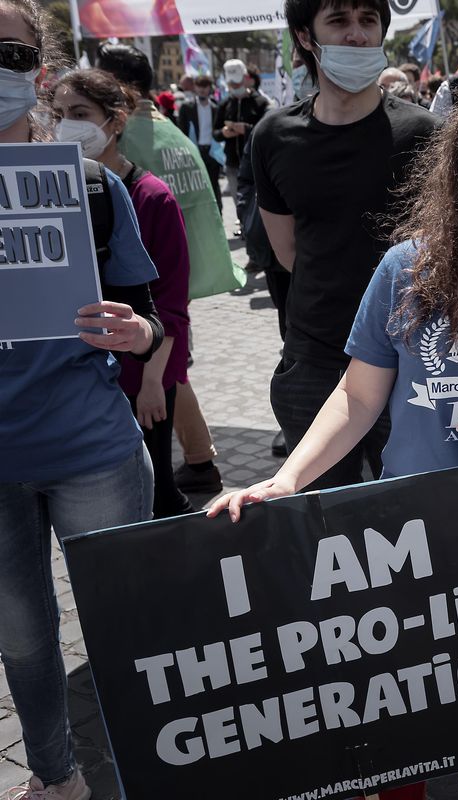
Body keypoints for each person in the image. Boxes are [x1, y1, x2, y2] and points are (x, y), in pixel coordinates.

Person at [213, 63, 458, 800]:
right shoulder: (406, 269)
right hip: (406, 541)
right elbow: (358, 396)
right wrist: (288, 478)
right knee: (402, 721)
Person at [0, 3, 164, 797]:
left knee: (124, 631)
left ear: (39, 70)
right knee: (22, 640)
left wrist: (139, 335)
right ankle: (55, 778)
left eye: (9, 53)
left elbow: (152, 319)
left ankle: (147, 772)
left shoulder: (91, 187)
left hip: (92, 453)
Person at [254, 0, 438, 491]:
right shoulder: (273, 137)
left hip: (409, 362)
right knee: (322, 518)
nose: (356, 34)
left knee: (411, 513)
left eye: (368, 20)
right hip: (313, 363)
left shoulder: (426, 133)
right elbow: (288, 252)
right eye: (338, 21)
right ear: (305, 36)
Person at [95, 43, 238, 498]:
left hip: (152, 292)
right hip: (174, 281)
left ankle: (196, 465)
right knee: (173, 371)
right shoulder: (169, 130)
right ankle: (200, 459)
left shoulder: (130, 146)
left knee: (162, 377)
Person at [54, 68, 196, 519]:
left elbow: (170, 305)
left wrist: (152, 384)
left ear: (115, 121)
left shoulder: (152, 197)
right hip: (87, 381)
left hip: (142, 374)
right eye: (58, 113)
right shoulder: (52, 193)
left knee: (157, 492)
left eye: (80, 113)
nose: (65, 125)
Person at [214, 58, 269, 206]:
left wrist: (247, 129)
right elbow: (215, 132)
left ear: (245, 78)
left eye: (237, 83)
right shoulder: (224, 104)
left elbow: (266, 131)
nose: (235, 86)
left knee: (256, 204)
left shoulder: (260, 102)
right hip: (232, 164)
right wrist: (223, 133)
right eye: (231, 84)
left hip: (254, 163)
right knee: (239, 204)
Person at [174, 73, 222, 208]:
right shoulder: (187, 107)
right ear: (195, 87)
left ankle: (218, 213)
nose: (202, 90)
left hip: (212, 152)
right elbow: (181, 131)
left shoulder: (216, 107)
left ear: (210, 88)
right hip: (195, 151)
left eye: (205, 86)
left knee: (214, 185)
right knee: (196, 185)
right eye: (199, 86)